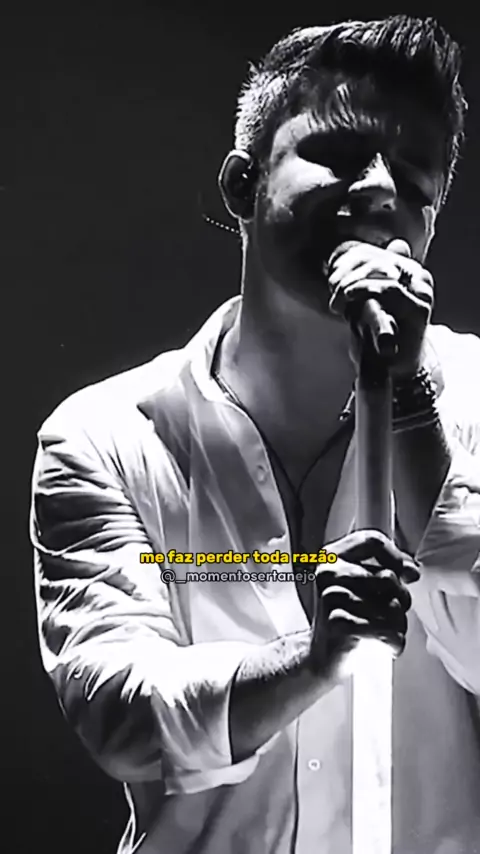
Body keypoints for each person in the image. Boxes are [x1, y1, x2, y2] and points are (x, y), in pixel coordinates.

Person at [30, 15, 480, 854]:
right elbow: (121, 711)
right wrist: (310, 662)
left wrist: (410, 398)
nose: (382, 190)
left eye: (416, 181)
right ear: (243, 185)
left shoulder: (473, 396)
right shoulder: (105, 436)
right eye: (341, 153)